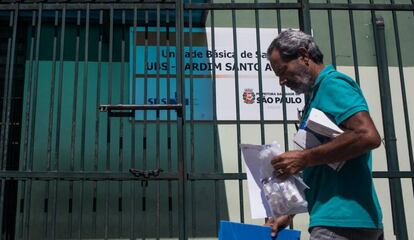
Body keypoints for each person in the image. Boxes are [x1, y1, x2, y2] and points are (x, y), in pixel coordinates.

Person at [265, 30, 384, 240]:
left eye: (283, 70)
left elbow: (368, 135)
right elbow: (322, 166)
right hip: (339, 219)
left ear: (303, 55)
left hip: (340, 222)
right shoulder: (315, 96)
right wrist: (289, 211)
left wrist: (305, 157)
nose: (282, 81)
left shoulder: (332, 84)